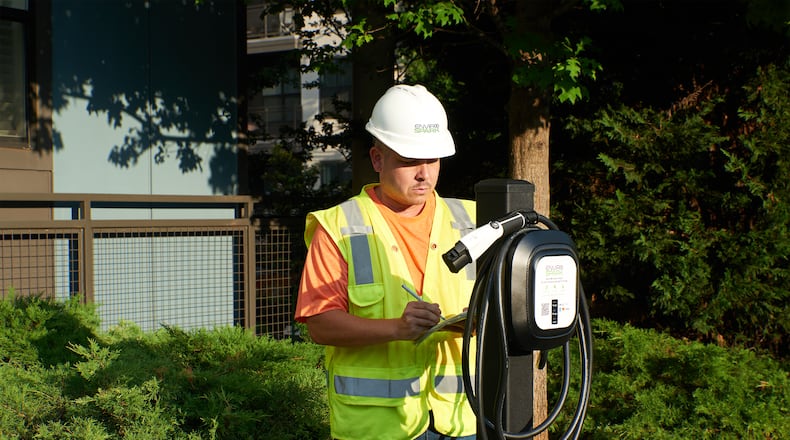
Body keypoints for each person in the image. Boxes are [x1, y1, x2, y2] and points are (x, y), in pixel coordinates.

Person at [295, 84, 478, 440]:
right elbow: (320, 325)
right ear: (378, 159)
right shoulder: (339, 227)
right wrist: (397, 329)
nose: (424, 173)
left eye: (433, 159)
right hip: (377, 428)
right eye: (410, 161)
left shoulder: (472, 221)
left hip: (462, 420)